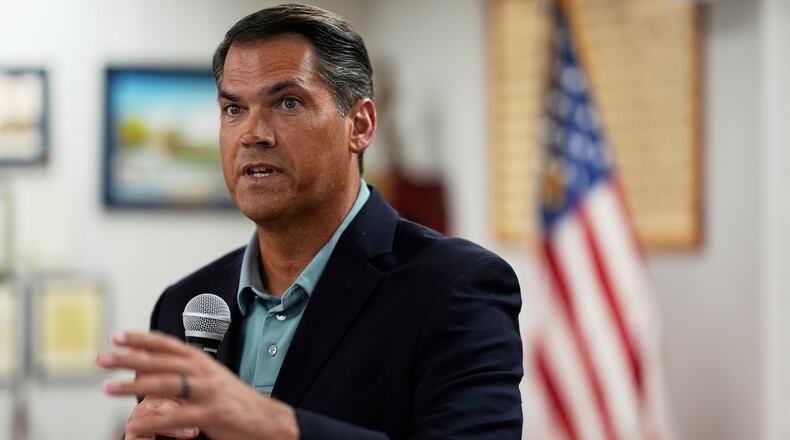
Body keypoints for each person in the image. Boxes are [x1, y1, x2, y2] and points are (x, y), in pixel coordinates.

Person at [98, 4, 523, 439]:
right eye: (234, 108)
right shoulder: (184, 305)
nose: (252, 133)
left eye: (288, 102)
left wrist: (271, 424)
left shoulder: (456, 286)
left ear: (359, 125)